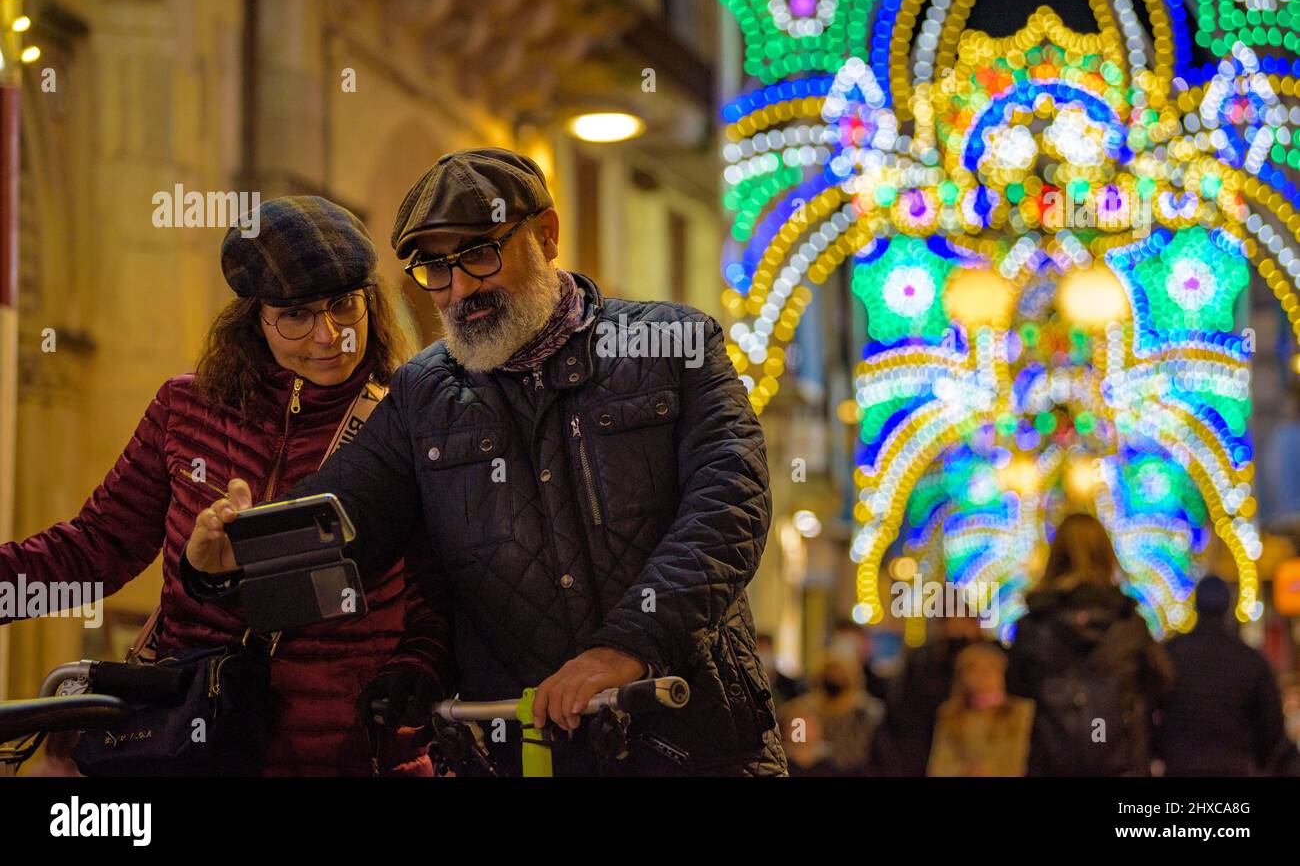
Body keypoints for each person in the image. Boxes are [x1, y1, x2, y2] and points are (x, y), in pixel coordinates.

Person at [184, 148, 787, 776]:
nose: (460, 289)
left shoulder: (674, 344)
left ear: (547, 235)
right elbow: (344, 517)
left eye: (479, 254)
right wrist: (232, 563)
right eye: (435, 270)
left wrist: (628, 646)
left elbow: (729, 508)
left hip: (697, 742)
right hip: (519, 754)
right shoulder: (421, 395)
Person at [0, 196, 449, 775]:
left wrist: (415, 673)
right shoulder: (186, 408)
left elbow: (440, 592)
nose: (328, 335)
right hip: (198, 741)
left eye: (344, 305)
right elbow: (95, 547)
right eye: (296, 315)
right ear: (253, 319)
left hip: (347, 748)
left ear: (371, 301)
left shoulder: (409, 419)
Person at [1007, 513, 1172, 776]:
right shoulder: (1128, 624)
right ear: (1106, 555)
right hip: (1120, 763)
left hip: (1051, 765)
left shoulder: (1034, 625)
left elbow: (1015, 686)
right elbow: (1161, 680)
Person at [1153, 575, 1298, 776]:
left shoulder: (1172, 653)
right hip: (1233, 766)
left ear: (1197, 605)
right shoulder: (1250, 660)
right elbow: (1271, 725)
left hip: (1181, 765)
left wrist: (1160, 751)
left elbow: (1150, 707)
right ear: (1228, 606)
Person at [871, 613, 983, 776]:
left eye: (964, 621)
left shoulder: (987, 658)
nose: (957, 627)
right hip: (922, 750)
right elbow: (904, 709)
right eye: (951, 621)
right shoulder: (924, 661)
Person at [927, 642, 1034, 776]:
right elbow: (939, 766)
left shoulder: (1021, 712)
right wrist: (965, 771)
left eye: (989, 668)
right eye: (973, 669)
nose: (982, 676)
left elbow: (1019, 761)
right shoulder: (951, 714)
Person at [781, 648, 883, 775]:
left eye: (840, 674)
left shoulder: (867, 712)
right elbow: (796, 745)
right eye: (830, 673)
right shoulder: (802, 709)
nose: (835, 678)